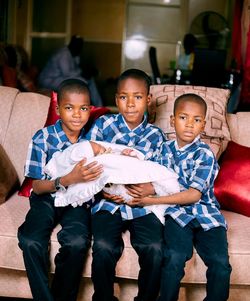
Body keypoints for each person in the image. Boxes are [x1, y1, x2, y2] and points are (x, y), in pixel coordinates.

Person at [128, 93, 232, 301]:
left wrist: (152, 201)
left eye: (196, 120)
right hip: (176, 215)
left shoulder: (205, 154)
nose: (189, 125)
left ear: (203, 125)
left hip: (206, 215)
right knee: (174, 257)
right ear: (173, 120)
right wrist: (127, 157)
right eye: (183, 118)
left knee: (220, 264)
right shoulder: (163, 149)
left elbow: (194, 195)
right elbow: (143, 166)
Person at [17, 78, 103, 301]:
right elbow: (36, 185)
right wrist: (66, 179)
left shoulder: (93, 141)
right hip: (47, 195)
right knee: (31, 240)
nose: (77, 114)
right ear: (58, 109)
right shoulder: (42, 138)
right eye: (69, 108)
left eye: (83, 108)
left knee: (77, 242)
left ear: (90, 109)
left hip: (78, 201)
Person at [85, 68, 166, 301]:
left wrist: (149, 189)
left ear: (148, 100)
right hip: (107, 202)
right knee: (102, 246)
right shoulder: (102, 126)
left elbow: (162, 174)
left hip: (142, 203)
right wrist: (103, 190)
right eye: (123, 97)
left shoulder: (155, 136)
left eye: (138, 97)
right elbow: (87, 162)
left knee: (154, 247)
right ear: (116, 99)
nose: (130, 104)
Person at [44, 140, 180, 223]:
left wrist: (129, 155)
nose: (102, 150)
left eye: (100, 148)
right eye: (97, 150)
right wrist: (101, 192)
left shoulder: (154, 136)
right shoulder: (91, 155)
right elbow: (95, 177)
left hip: (145, 190)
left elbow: (137, 163)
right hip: (110, 202)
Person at [38, 35, 103, 106]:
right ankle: (92, 106)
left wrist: (85, 73)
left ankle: (99, 106)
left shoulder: (74, 54)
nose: (79, 47)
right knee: (83, 81)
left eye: (80, 45)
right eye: (77, 44)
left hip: (61, 78)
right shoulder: (63, 54)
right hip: (49, 80)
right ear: (72, 44)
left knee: (88, 80)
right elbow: (68, 73)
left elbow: (76, 70)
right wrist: (83, 73)